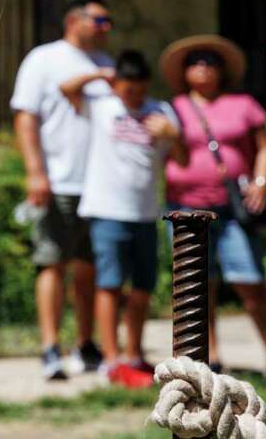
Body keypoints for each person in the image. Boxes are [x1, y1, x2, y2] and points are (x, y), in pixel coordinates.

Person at [160, 35, 266, 378]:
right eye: (195, 62)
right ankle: (209, 356)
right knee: (199, 285)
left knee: (250, 281)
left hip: (230, 208)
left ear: (222, 70)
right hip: (185, 207)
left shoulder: (242, 104)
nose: (202, 68)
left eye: (209, 62)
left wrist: (260, 183)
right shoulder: (174, 108)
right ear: (185, 72)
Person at [61, 50, 187, 388]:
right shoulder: (102, 106)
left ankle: (134, 355)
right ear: (117, 85)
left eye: (139, 89)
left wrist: (173, 135)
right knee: (110, 284)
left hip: (146, 212)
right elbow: (66, 89)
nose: (134, 96)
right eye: (127, 88)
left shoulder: (161, 111)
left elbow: (183, 160)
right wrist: (99, 75)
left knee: (143, 287)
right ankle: (111, 359)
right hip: (107, 210)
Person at [10, 0, 114, 380]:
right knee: (52, 262)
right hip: (58, 180)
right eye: (100, 22)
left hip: (100, 185)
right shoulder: (44, 59)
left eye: (109, 23)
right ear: (75, 20)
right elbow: (25, 118)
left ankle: (86, 344)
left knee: (89, 268)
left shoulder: (106, 63)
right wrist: (36, 172)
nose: (106, 29)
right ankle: (50, 347)